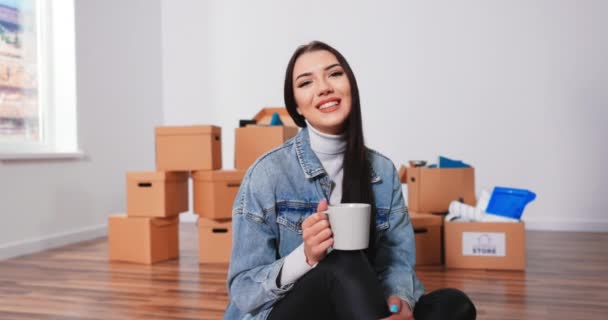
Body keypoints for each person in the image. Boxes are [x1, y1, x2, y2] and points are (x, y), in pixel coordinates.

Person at [224, 41, 476, 320]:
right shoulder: (268, 174)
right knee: (345, 257)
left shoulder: (382, 171)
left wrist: (398, 300)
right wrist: (305, 257)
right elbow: (243, 289)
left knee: (454, 306)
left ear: (350, 86)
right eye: (306, 82)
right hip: (283, 312)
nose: (324, 87)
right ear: (296, 105)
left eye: (334, 74)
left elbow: (396, 261)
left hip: (355, 304)